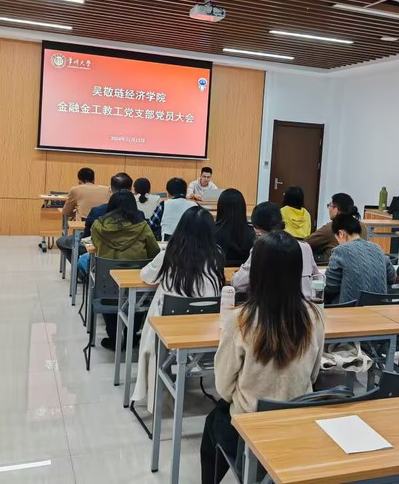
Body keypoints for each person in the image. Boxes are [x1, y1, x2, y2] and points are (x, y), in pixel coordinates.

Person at [200, 230, 325, 484]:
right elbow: (314, 374)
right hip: (298, 418)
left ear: (256, 270)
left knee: (213, 423)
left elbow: (223, 387)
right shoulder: (314, 316)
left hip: (250, 426)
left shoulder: (240, 320)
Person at [132, 207, 225, 410]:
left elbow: (146, 276)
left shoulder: (170, 253)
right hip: (206, 329)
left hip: (169, 330)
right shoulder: (217, 254)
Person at [77, 191, 160, 350]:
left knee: (107, 291)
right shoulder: (142, 226)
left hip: (106, 284)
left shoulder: (98, 226)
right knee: (139, 298)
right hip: (136, 286)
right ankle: (131, 336)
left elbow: (95, 245)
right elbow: (154, 252)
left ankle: (114, 337)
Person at [232, 202, 320, 298]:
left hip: (270, 306)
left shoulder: (261, 249)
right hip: (304, 304)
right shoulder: (305, 248)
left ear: (257, 228)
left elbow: (238, 284)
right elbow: (318, 279)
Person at [324, 212, 397, 304]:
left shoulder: (340, 250)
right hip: (379, 308)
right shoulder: (377, 248)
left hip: (350, 308)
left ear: (341, 233)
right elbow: (392, 278)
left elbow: (330, 286)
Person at [55, 167, 110, 261]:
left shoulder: (76, 189)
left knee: (61, 242)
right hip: (105, 237)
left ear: (79, 181)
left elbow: (66, 212)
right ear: (94, 180)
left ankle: (78, 267)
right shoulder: (107, 189)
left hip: (86, 237)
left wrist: (75, 212)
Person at [81, 173, 140, 238]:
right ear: (131, 190)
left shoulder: (96, 212)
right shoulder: (139, 215)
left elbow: (87, 236)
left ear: (110, 189)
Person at [306, 192, 357, 262]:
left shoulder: (332, 227)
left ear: (336, 210)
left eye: (329, 205)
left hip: (331, 265)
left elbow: (307, 242)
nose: (329, 208)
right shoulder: (362, 226)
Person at [214, 188, 255, 266]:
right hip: (245, 272)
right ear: (242, 208)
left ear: (220, 207)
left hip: (218, 271)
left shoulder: (212, 231)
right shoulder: (252, 233)